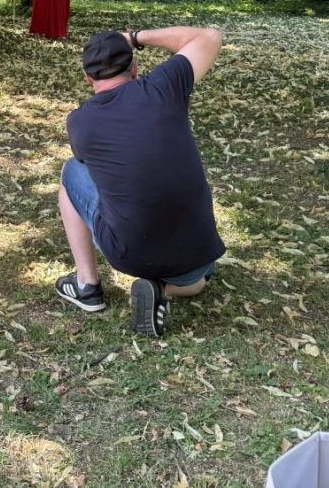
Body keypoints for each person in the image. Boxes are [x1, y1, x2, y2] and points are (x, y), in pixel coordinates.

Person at [55, 27, 225, 337]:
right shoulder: (165, 86)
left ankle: (86, 285)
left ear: (87, 78)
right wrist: (135, 37)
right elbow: (211, 37)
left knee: (71, 172)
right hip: (199, 249)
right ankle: (163, 287)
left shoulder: (80, 122)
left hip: (131, 254)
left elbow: (92, 168)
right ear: (134, 68)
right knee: (199, 280)